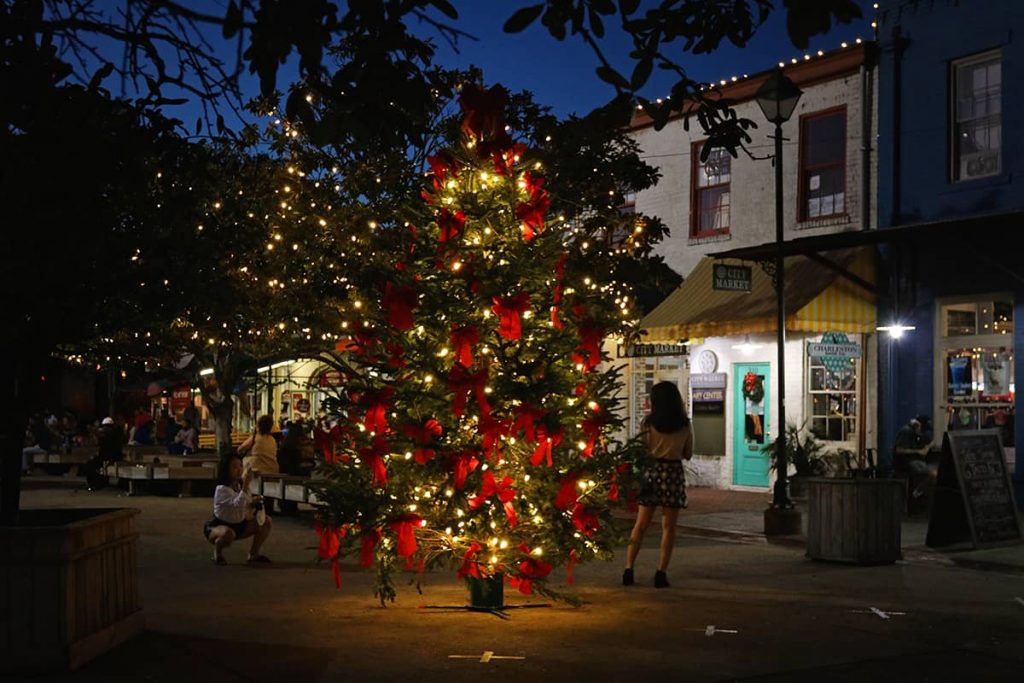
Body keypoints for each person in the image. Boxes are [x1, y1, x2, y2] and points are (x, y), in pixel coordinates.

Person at [623, 381, 694, 589]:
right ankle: (661, 573)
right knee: (668, 527)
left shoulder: (647, 423)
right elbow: (688, 454)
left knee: (641, 525)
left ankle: (629, 568)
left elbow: (640, 449)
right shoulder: (684, 424)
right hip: (672, 474)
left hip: (652, 472)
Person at [204, 453, 272, 565]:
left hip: (239, 524)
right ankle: (218, 553)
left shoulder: (239, 485)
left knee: (266, 522)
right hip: (219, 526)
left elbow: (245, 502)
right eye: (234, 467)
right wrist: (246, 484)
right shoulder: (221, 489)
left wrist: (254, 501)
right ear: (226, 470)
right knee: (227, 533)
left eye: (240, 466)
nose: (239, 469)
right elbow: (238, 503)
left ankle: (253, 554)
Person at [894, 414, 936, 499]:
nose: (922, 432)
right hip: (907, 462)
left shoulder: (918, 433)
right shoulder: (906, 431)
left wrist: (927, 447)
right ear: (918, 425)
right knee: (933, 474)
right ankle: (917, 493)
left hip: (917, 460)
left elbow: (933, 442)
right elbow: (899, 450)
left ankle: (919, 491)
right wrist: (918, 451)